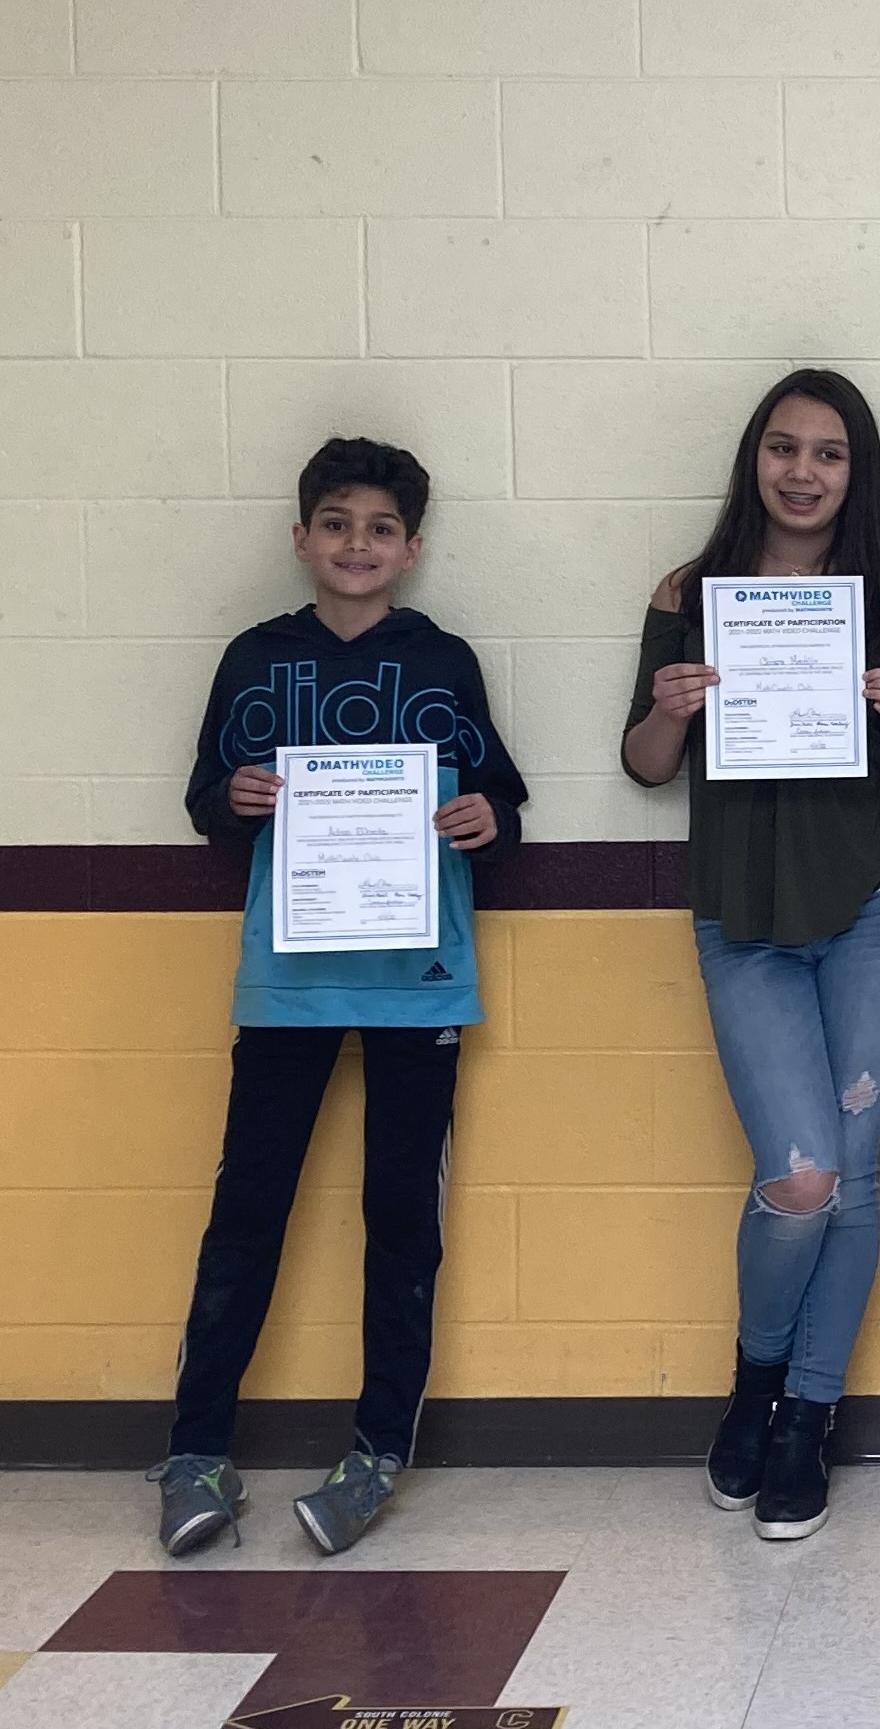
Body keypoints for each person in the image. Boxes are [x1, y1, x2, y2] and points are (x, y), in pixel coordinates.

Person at [155, 437, 529, 1557]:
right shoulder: (254, 656)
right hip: (288, 982)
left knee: (401, 1219)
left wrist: (485, 820)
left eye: (379, 528)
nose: (356, 544)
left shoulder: (445, 660)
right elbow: (204, 800)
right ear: (301, 536)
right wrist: (236, 794)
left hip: (418, 981)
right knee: (246, 1213)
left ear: (411, 547)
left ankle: (376, 1449)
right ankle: (193, 1449)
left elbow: (499, 795)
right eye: (336, 523)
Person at [622, 369, 880, 1542]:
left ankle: (808, 1416)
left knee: (852, 1179)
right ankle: (756, 1375)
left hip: (873, 909)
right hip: (743, 917)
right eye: (784, 448)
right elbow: (648, 765)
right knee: (799, 1175)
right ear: (754, 457)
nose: (803, 472)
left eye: (831, 453)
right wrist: (672, 705)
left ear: (858, 475)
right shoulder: (689, 592)